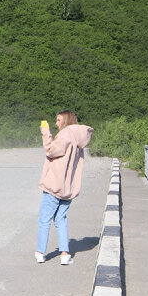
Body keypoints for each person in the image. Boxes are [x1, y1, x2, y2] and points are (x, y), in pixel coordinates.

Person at [35, 110, 94, 265]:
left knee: (44, 220)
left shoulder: (65, 134)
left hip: (54, 186)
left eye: (58, 120)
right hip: (68, 188)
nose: (56, 123)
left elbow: (50, 150)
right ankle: (65, 254)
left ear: (66, 120)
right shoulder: (78, 137)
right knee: (61, 219)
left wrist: (46, 133)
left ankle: (40, 252)